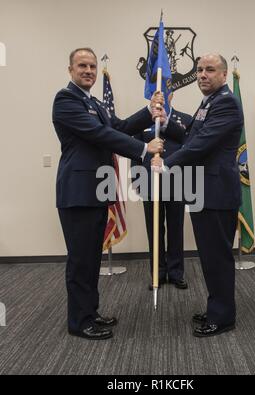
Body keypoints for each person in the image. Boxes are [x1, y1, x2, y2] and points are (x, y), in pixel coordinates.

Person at [52, 48, 165, 340]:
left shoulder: (97, 104)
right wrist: (143, 148)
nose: (89, 70)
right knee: (81, 261)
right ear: (70, 70)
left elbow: (121, 127)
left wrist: (149, 110)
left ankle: (90, 312)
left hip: (98, 191)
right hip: (78, 193)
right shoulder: (66, 100)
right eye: (82, 66)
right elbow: (99, 134)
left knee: (91, 258)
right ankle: (79, 322)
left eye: (91, 66)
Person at [151, 54, 244, 337]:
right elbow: (192, 137)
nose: (203, 74)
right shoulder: (209, 103)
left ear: (224, 75)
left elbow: (201, 145)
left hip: (217, 193)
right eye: (200, 69)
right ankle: (216, 307)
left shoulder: (226, 102)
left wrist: (167, 163)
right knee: (210, 256)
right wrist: (167, 124)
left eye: (210, 70)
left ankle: (223, 317)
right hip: (204, 192)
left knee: (217, 257)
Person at [131, 94, 192, 290]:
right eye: (159, 93)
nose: (163, 96)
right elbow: (136, 153)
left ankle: (176, 273)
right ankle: (157, 273)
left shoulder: (185, 119)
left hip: (176, 181)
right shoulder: (143, 121)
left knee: (176, 229)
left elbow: (191, 149)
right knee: (154, 230)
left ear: (173, 94)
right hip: (150, 183)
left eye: (167, 92)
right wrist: (137, 180)